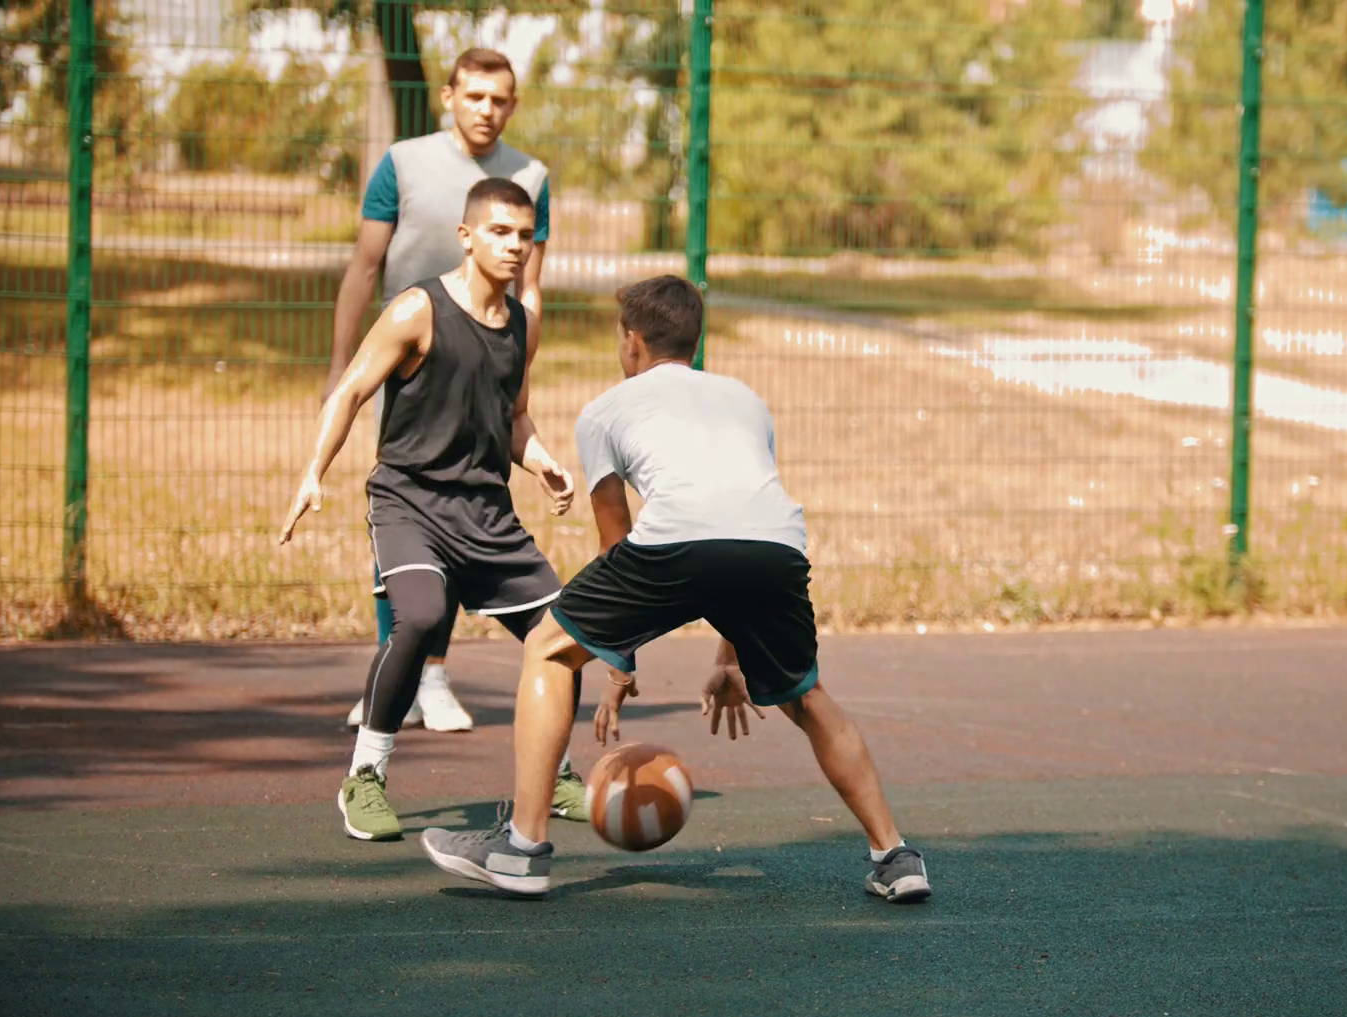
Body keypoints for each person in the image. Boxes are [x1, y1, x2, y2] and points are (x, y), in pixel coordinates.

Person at [418, 275, 933, 904]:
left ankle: (521, 850)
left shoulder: (604, 410)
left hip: (675, 546)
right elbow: (737, 521)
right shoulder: (747, 401)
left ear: (632, 341)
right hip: (775, 549)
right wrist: (732, 657)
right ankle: (895, 855)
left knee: (548, 649)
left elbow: (615, 543)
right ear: (695, 339)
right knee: (807, 697)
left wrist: (616, 665)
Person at [282, 177, 576, 843]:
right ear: (466, 237)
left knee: (561, 635)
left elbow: (514, 416)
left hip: (486, 512)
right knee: (419, 616)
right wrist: (312, 473)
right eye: (499, 232)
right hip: (409, 503)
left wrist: (541, 461)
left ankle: (554, 776)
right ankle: (365, 776)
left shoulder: (523, 324)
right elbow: (351, 390)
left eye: (524, 236)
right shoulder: (418, 309)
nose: (515, 246)